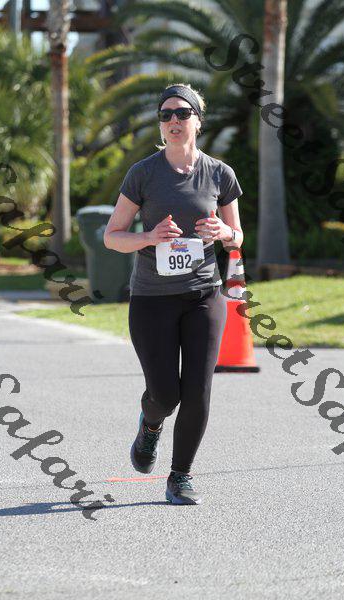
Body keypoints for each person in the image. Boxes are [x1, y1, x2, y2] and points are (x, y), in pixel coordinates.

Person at [104, 83, 244, 505]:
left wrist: (224, 231)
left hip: (204, 295)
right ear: (160, 125)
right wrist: (149, 237)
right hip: (152, 299)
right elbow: (112, 236)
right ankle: (150, 426)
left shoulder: (220, 174)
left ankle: (180, 476)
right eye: (165, 115)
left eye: (182, 113)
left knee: (197, 390)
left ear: (198, 120)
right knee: (165, 395)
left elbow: (237, 235)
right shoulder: (143, 174)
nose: (173, 121)